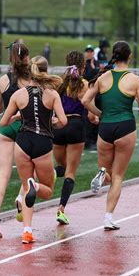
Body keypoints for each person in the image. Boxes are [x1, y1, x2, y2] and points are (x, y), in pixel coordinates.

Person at [82, 41, 139, 230]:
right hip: (125, 127)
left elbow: (85, 100)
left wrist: (99, 114)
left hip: (105, 128)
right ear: (129, 57)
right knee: (119, 176)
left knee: (108, 172)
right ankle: (108, 218)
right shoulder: (135, 80)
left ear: (114, 55)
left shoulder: (102, 78)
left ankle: (102, 173)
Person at [0, 56, 67, 244]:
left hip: (22, 143)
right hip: (42, 142)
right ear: (46, 70)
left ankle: (27, 232)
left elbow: (3, 122)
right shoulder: (52, 94)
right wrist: (50, 122)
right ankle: (35, 186)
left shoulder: (19, 94)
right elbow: (63, 121)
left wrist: (16, 117)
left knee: (25, 187)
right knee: (46, 191)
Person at [0, 42, 32, 238]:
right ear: (26, 58)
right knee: (31, 173)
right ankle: (21, 196)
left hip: (7, 129)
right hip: (25, 127)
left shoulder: (3, 80)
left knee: (2, 176)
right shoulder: (32, 80)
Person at [52, 51, 91, 225]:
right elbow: (89, 110)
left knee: (61, 167)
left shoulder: (59, 83)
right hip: (76, 126)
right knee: (70, 172)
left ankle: (50, 174)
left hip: (59, 126)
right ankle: (61, 209)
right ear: (83, 66)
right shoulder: (84, 84)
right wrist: (97, 117)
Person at [83, 44, 100, 150]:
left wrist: (94, 68)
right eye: (87, 51)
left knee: (95, 118)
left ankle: (94, 140)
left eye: (91, 51)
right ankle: (87, 140)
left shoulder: (97, 64)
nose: (89, 53)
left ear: (93, 53)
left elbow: (99, 76)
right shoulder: (83, 65)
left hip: (96, 94)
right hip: (86, 94)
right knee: (87, 118)